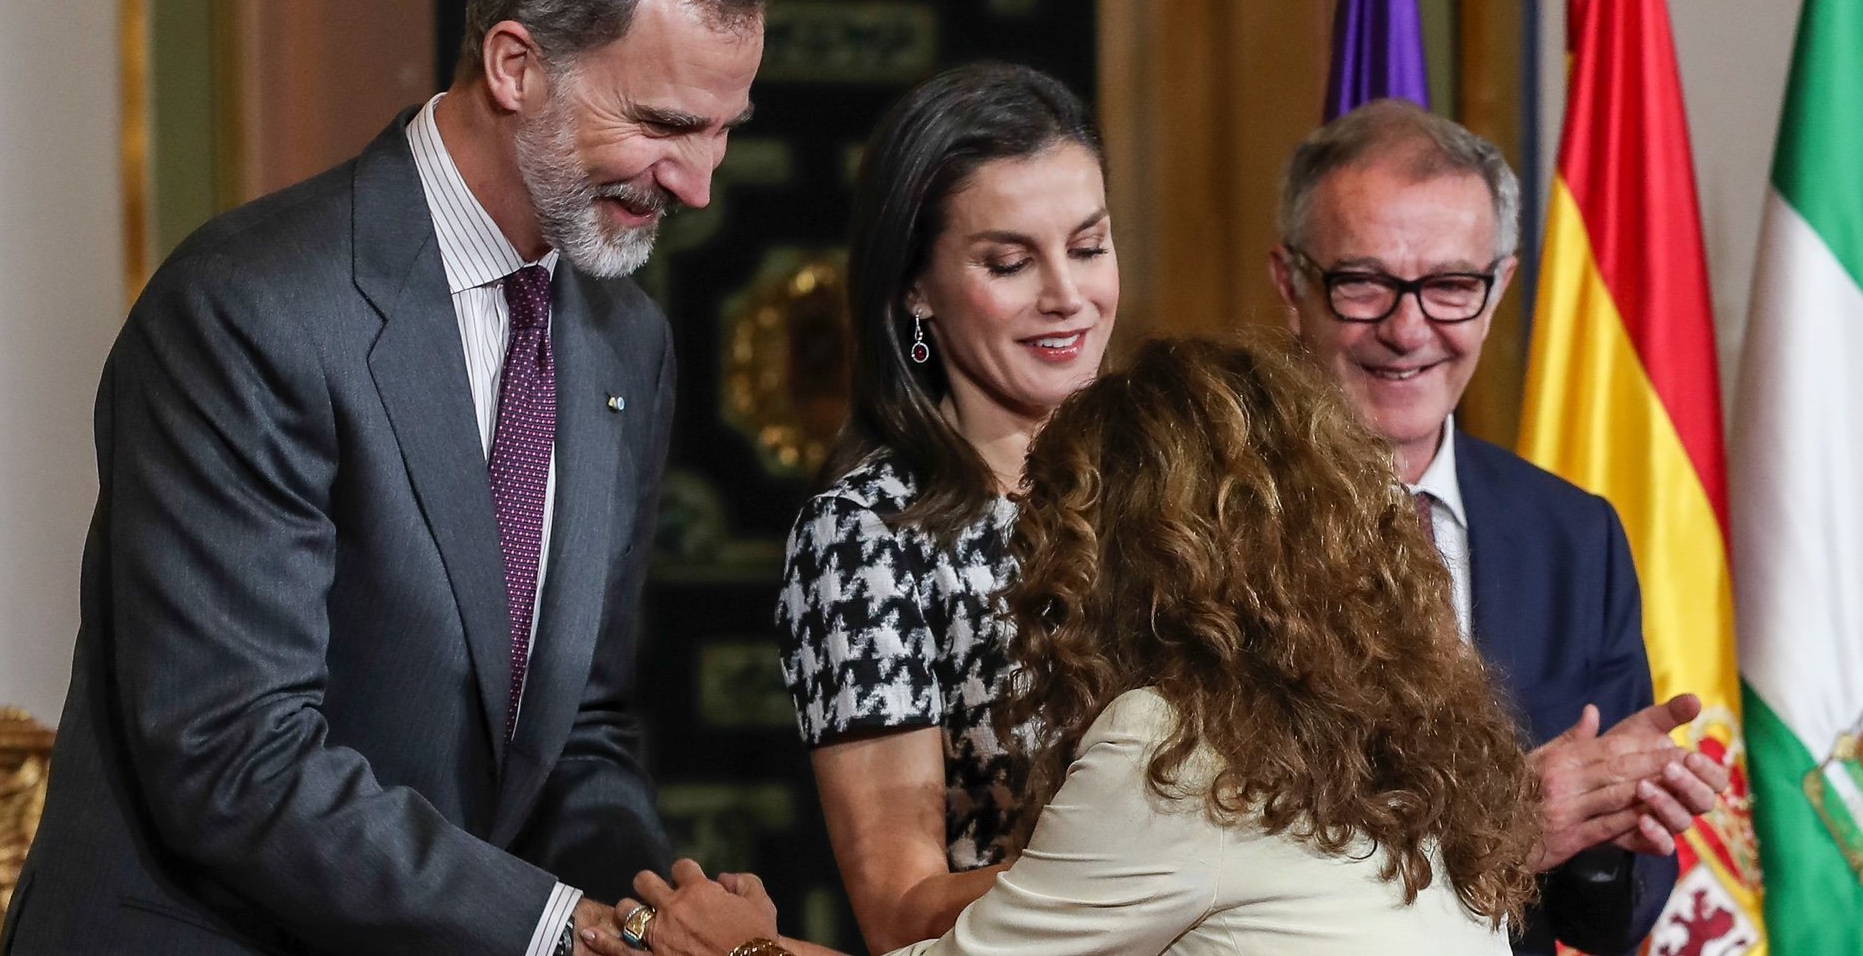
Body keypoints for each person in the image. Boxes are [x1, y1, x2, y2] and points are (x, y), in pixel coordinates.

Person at [0, 0, 764, 954]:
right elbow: (235, 754)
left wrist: (662, 916)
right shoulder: (251, 307)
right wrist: (558, 931)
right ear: (514, 65)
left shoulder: (627, 340)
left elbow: (575, 726)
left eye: (722, 131)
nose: (699, 186)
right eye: (663, 125)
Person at [589, 335, 1544, 956]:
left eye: (1058, 526)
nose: (1040, 565)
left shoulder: (1177, 746)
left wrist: (741, 950)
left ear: (1137, 550)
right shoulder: (1396, 722)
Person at [1264, 98, 1731, 954]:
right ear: (1291, 284)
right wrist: (1507, 822)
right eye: (1363, 282)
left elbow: (1606, 924)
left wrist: (1606, 829)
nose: (1408, 330)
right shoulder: (1204, 534)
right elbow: (1206, 854)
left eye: (1450, 286)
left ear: (1501, 286)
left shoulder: (1572, 538)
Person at [765, 62, 1117, 953]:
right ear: (914, 289)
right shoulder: (867, 536)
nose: (1067, 296)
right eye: (1009, 261)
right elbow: (898, 905)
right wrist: (1151, 873)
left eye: (1088, 246)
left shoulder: (1185, 479)